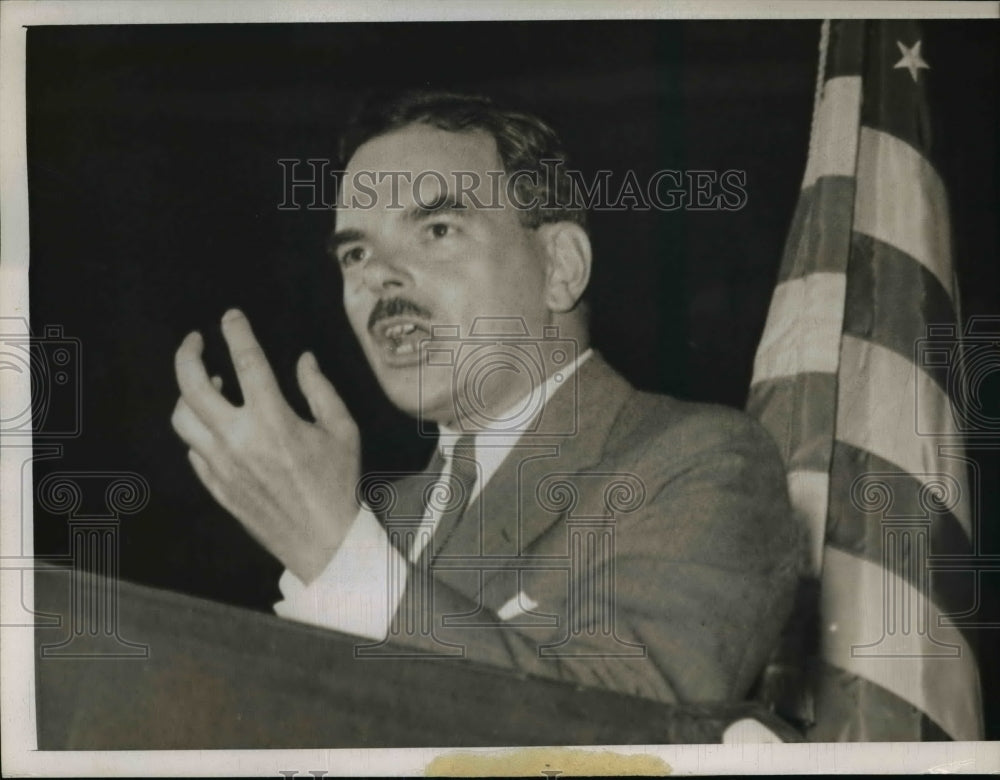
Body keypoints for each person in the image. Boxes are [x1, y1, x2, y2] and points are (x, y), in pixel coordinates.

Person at [171, 90, 799, 704]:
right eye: (356, 251)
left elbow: (628, 728)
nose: (377, 275)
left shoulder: (702, 463)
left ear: (561, 268)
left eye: (437, 229)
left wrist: (337, 558)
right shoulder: (375, 517)